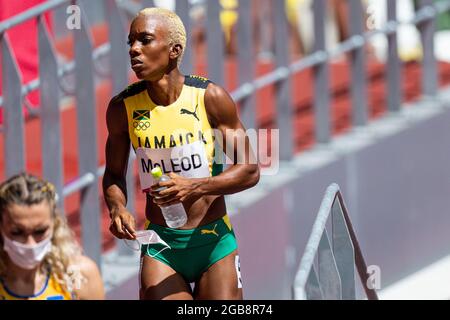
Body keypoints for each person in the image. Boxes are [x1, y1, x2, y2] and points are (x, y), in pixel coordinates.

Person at [103, 7, 259, 300]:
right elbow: (113, 173)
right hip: (161, 245)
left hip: (214, 242)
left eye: (145, 40)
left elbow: (250, 169)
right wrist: (117, 208)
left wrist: (195, 187)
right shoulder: (121, 108)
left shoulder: (210, 98)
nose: (134, 49)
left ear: (174, 50)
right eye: (131, 42)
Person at [0, 173, 104, 300]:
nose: (30, 244)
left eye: (40, 231)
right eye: (17, 232)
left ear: (55, 224)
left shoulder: (80, 275)